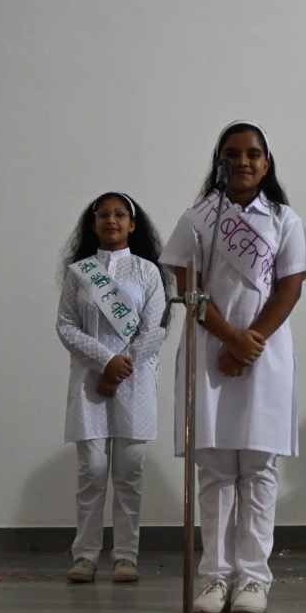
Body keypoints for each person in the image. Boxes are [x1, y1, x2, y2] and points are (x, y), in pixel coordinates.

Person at [161, 122, 306, 613]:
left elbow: (290, 287)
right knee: (214, 469)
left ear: (267, 164)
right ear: (219, 162)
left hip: (265, 353)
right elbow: (188, 286)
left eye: (253, 154)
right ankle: (215, 576)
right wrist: (230, 338)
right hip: (210, 349)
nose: (243, 162)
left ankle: (253, 578)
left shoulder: (284, 219)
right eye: (232, 154)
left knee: (258, 468)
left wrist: (251, 342)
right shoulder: (199, 218)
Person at [57, 192, 171, 585]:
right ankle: (85, 555)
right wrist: (105, 362)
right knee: (91, 472)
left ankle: (125, 556)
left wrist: (120, 368)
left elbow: (155, 329)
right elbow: (66, 325)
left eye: (119, 214)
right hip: (89, 383)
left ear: (132, 224)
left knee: (128, 474)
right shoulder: (79, 273)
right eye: (103, 214)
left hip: (135, 383)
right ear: (93, 224)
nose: (111, 220)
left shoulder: (148, 272)